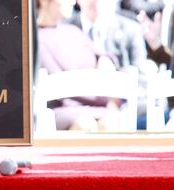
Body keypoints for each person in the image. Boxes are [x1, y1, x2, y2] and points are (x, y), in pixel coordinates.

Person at [37, 0, 123, 130]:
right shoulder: (35, 39)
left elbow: (102, 57)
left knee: (109, 124)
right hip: (63, 108)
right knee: (85, 125)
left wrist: (104, 60)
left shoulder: (74, 31)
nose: (72, 2)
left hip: (95, 106)